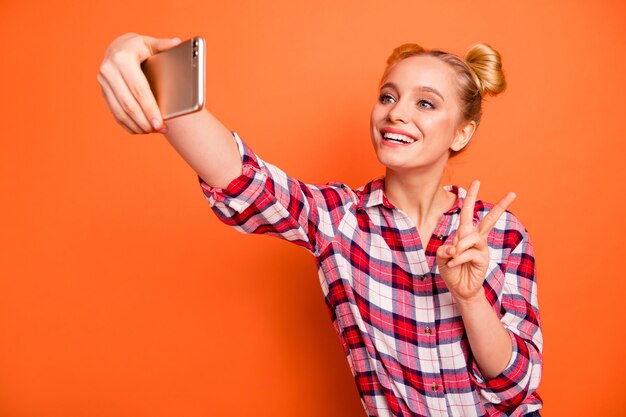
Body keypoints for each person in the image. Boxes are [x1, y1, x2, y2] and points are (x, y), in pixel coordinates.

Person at [98, 33, 543, 417]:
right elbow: (244, 182)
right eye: (388, 96)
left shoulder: (499, 233)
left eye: (424, 103)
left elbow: (516, 386)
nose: (395, 113)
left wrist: (470, 298)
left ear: (462, 133)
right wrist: (145, 70)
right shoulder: (339, 219)